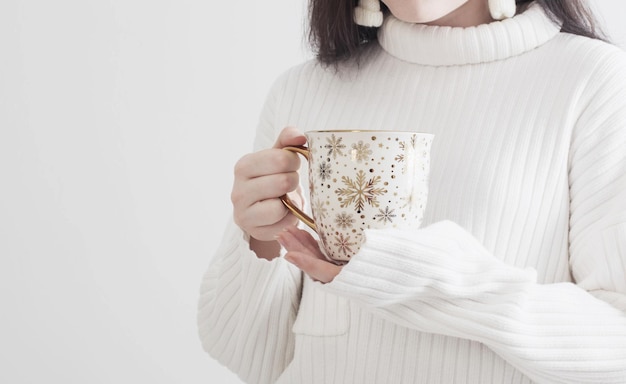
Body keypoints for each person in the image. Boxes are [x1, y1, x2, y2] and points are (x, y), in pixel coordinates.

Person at [197, 0, 626, 382]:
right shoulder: (302, 88)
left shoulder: (595, 83)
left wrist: (419, 279)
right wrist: (262, 239)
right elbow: (248, 357)